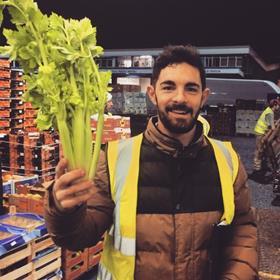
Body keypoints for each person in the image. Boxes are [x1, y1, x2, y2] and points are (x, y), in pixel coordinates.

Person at [44, 45, 258, 279]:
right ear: (153, 94)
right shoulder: (115, 159)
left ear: (203, 97)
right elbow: (78, 237)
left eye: (191, 88)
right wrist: (64, 210)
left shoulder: (227, 160)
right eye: (168, 87)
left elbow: (242, 232)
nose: (180, 98)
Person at [249, 99, 279, 183]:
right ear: (275, 105)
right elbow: (273, 127)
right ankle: (257, 169)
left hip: (260, 131)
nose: (278, 107)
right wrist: (276, 124)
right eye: (278, 105)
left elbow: (270, 122)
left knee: (262, 150)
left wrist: (275, 122)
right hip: (260, 133)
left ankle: (261, 166)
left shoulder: (268, 110)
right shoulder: (270, 113)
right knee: (259, 150)